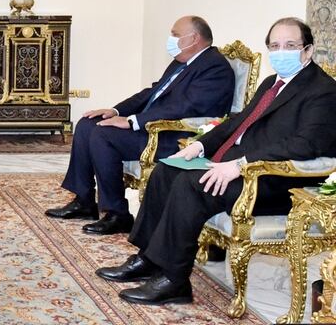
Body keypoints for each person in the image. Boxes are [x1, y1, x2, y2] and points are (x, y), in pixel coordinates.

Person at [96, 18, 336, 306]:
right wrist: (200, 145)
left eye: (290, 45)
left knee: (191, 184)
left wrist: (241, 164)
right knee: (166, 170)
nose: (280, 52)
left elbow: (306, 144)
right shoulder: (272, 82)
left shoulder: (323, 90)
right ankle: (150, 259)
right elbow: (240, 121)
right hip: (238, 167)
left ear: (307, 51)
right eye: (275, 46)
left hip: (273, 181)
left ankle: (175, 280)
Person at [46, 16, 235, 236]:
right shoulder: (181, 62)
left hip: (177, 137)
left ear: (193, 38)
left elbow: (185, 107)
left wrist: (131, 121)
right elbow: (152, 93)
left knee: (103, 135)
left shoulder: (214, 67)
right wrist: (116, 111)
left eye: (175, 34)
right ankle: (85, 202)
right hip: (153, 126)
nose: (170, 39)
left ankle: (118, 214)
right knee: (87, 124)